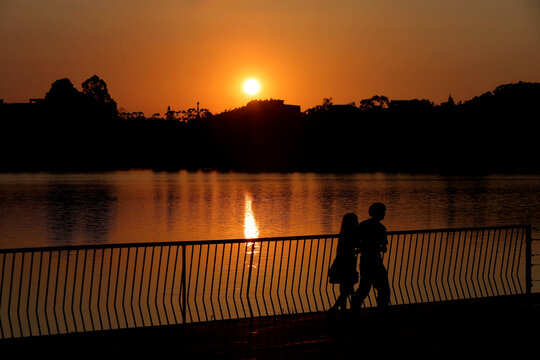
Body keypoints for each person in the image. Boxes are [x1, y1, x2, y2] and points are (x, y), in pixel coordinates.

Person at [351, 202, 390, 310]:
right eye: (383, 212)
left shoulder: (363, 225)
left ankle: (354, 308)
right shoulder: (382, 228)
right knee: (384, 289)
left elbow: (356, 241)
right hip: (376, 262)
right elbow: (384, 248)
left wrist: (362, 247)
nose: (384, 214)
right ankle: (382, 309)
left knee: (364, 287)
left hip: (365, 261)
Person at [329, 213, 360, 311]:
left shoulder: (343, 233)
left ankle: (341, 309)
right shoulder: (350, 234)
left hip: (341, 261)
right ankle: (334, 308)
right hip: (347, 262)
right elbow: (354, 245)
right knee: (347, 289)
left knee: (345, 287)